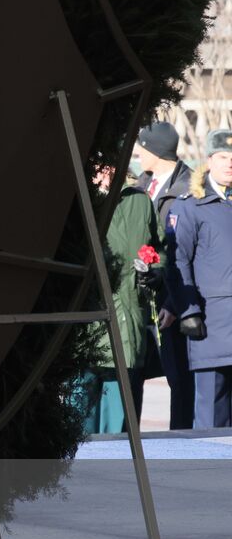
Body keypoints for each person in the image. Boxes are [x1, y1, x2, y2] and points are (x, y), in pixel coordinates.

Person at [73, 166, 159, 433]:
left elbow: (161, 248)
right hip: (88, 329)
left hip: (129, 325)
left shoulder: (140, 200)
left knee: (122, 427)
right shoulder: (76, 199)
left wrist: (154, 271)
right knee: (80, 422)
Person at [166, 130, 232, 430]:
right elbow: (178, 262)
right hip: (211, 324)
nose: (229, 164)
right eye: (223, 157)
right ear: (209, 161)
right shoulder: (190, 205)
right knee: (211, 416)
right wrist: (188, 311)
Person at [133, 121, 195, 430]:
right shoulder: (140, 186)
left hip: (174, 301)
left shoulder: (188, 190)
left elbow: (187, 253)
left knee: (180, 378)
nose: (137, 153)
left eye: (142, 147)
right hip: (142, 296)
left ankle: (183, 441)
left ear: (155, 151)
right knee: (139, 374)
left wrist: (172, 299)